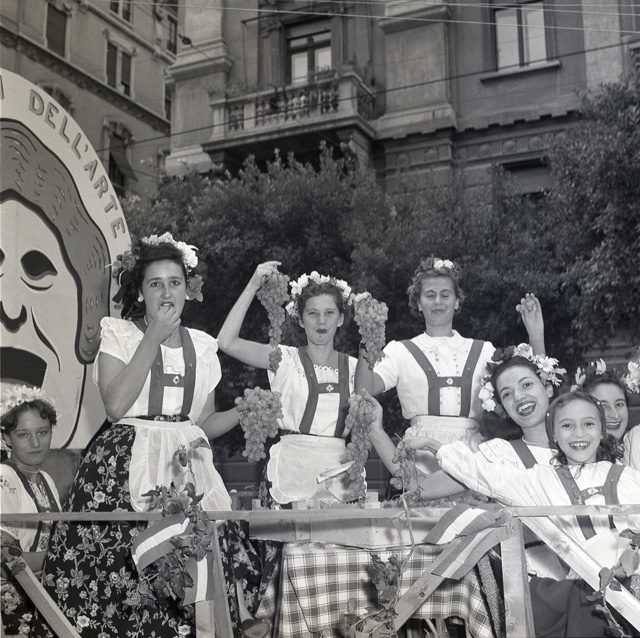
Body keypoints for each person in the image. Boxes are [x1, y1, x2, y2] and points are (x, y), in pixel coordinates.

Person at [31, 235, 254, 638]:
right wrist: (152, 337)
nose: (167, 292)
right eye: (156, 284)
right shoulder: (120, 334)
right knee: (121, 574)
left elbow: (202, 422)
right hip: (125, 463)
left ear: (188, 289)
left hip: (189, 466)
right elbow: (115, 405)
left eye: (175, 282)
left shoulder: (203, 346)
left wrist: (243, 412)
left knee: (196, 573)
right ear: (139, 292)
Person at [406, 391, 640, 637]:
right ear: (554, 435)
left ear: (602, 431)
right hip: (588, 595)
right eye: (567, 426)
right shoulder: (541, 480)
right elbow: (486, 475)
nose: (578, 434)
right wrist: (436, 447)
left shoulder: (629, 477)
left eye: (588, 424)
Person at [355, 256, 545, 473]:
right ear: (419, 303)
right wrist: (367, 341)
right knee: (422, 492)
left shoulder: (484, 351)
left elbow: (536, 382)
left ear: (456, 301)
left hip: (473, 454)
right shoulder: (400, 351)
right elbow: (364, 391)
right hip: (419, 455)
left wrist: (535, 334)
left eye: (445, 295)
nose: (438, 301)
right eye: (430, 295)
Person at [217, 263, 358, 506]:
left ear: (341, 318)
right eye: (312, 313)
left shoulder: (356, 367)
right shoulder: (284, 359)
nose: (321, 321)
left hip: (338, 478)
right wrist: (252, 285)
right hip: (290, 471)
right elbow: (227, 342)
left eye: (329, 313)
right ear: (300, 320)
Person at [0, 385, 61, 637]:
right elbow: (6, 561)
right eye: (23, 435)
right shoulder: (3, 477)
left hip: (41, 591)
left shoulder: (46, 479)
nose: (36, 443)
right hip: (11, 600)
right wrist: (62, 560)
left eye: (42, 432)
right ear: (6, 438)